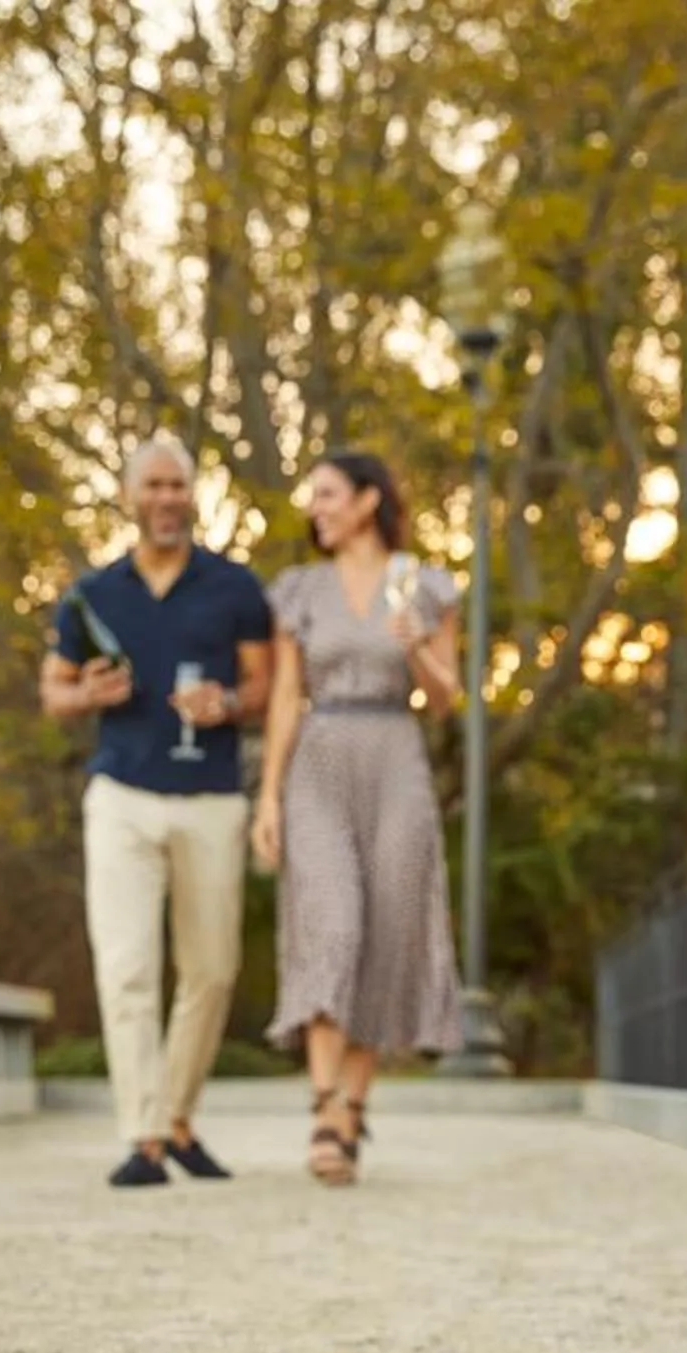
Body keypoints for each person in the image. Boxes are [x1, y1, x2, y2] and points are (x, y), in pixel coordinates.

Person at [40, 432, 276, 1188]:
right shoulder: (92, 595)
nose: (168, 499)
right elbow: (54, 692)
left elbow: (267, 686)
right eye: (155, 487)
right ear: (131, 497)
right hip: (122, 798)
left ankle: (178, 1119)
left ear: (193, 495)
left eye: (179, 486)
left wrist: (228, 704)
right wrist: (89, 696)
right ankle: (143, 1138)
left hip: (209, 797)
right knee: (127, 968)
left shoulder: (235, 587)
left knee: (211, 969)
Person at [250, 451, 465, 1186]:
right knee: (333, 921)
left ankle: (351, 1107)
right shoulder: (300, 591)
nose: (317, 508)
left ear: (369, 500)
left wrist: (416, 651)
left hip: (395, 755)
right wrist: (269, 796)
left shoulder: (425, 585)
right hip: (318, 758)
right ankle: (323, 1103)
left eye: (329, 495)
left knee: (388, 929)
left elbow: (447, 699)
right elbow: (284, 696)